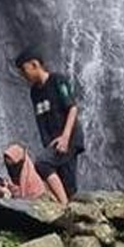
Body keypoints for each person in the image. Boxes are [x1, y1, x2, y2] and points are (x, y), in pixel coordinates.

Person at [14, 46, 83, 200]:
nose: (23, 75)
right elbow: (42, 120)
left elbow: (72, 108)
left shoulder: (58, 80)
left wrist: (65, 138)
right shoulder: (35, 92)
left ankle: (64, 208)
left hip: (69, 138)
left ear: (34, 64)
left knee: (42, 164)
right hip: (53, 142)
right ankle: (72, 213)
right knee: (68, 186)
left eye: (24, 70)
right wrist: (48, 144)